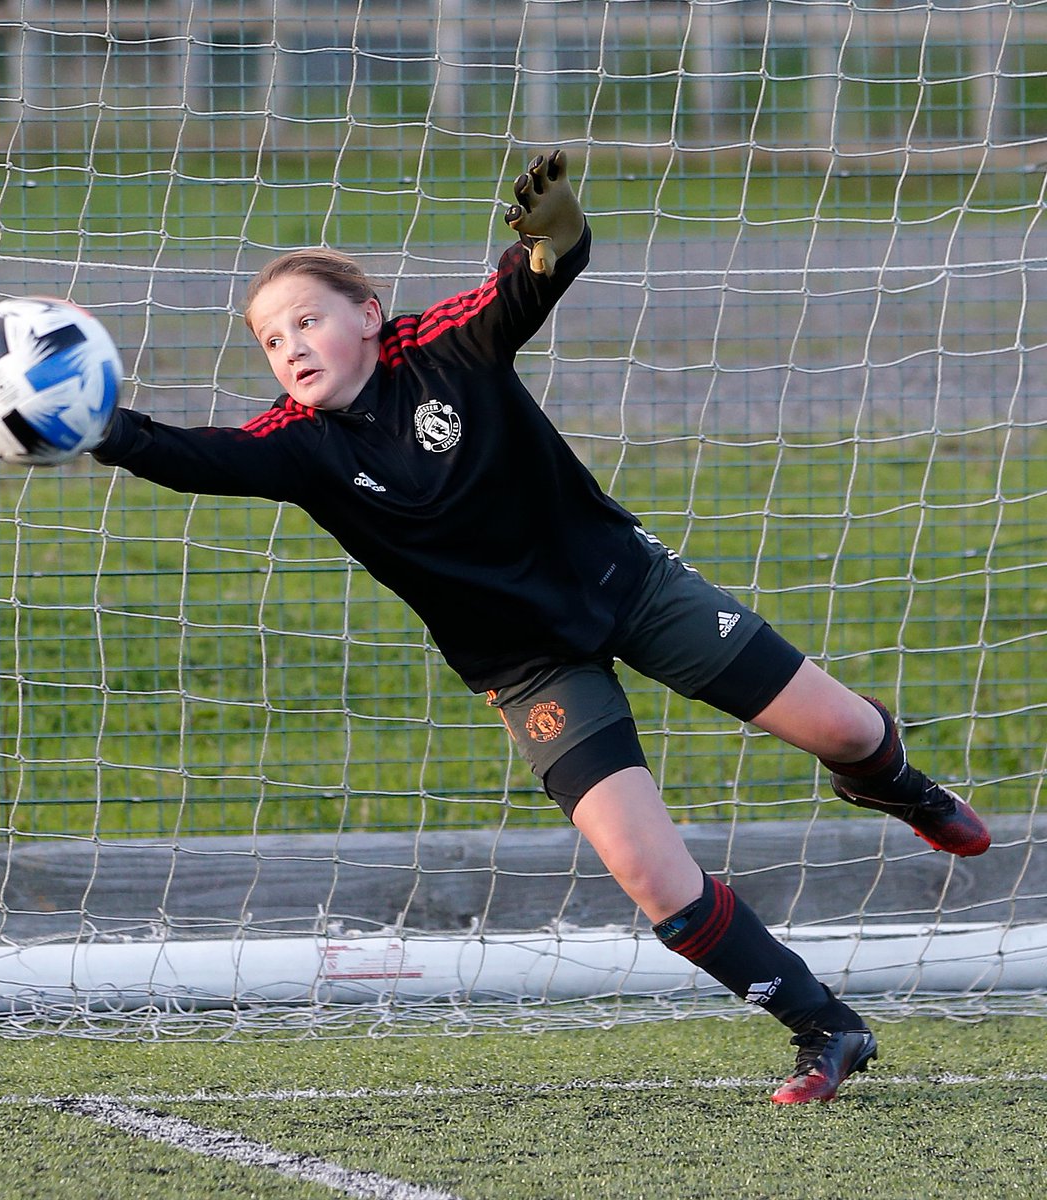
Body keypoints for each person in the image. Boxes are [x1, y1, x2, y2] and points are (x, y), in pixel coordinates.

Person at [90, 150, 991, 1104]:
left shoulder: (447, 350)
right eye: (272, 341)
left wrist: (560, 231)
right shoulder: (298, 446)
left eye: (307, 320)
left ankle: (894, 784)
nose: (292, 348)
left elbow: (537, 273)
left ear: (367, 315)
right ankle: (825, 1028)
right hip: (526, 669)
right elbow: (188, 455)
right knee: (648, 873)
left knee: (846, 731)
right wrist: (96, 428)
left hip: (628, 586)